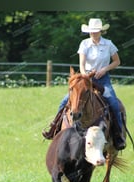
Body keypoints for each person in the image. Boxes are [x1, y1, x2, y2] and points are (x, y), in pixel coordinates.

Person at [42, 18, 126, 150]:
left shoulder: (108, 44)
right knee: (64, 101)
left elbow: (117, 61)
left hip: (103, 79)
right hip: (85, 79)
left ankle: (118, 135)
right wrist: (85, 75)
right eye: (91, 31)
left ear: (101, 31)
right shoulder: (84, 44)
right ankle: (54, 129)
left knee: (114, 103)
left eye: (95, 31)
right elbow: (81, 64)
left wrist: (104, 69)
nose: (93, 33)